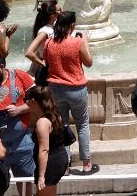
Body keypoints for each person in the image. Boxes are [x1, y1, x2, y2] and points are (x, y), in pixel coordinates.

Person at [36, 10, 95, 175]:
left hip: (55, 88)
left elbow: (46, 61)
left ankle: (65, 166)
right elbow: (89, 62)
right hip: (76, 88)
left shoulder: (49, 43)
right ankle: (86, 164)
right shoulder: (77, 42)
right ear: (72, 25)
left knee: (61, 126)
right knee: (82, 124)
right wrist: (85, 41)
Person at [25, 86, 71, 196]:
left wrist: (41, 176)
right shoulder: (55, 114)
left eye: (26, 100)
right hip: (59, 157)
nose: (25, 103)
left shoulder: (42, 122)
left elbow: (44, 150)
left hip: (50, 163)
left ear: (33, 101)